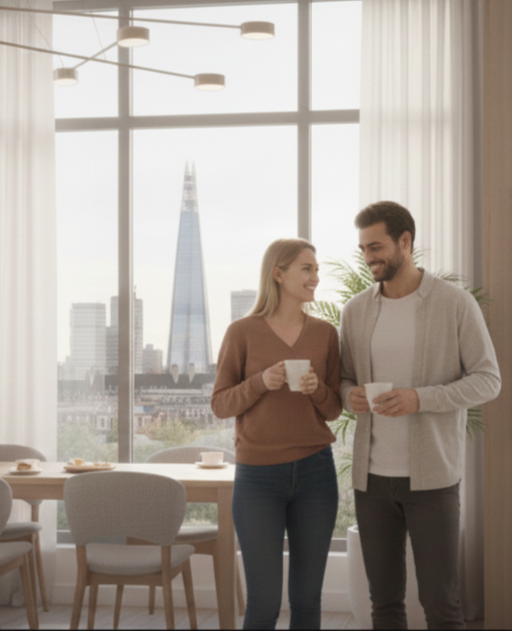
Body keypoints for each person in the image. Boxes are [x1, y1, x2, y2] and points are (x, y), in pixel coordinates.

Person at [340, 201, 500, 630]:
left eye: (376, 246)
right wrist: (349, 395)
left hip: (432, 479)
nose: (369, 257)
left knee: (440, 603)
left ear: (405, 241)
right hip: (371, 481)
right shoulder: (355, 310)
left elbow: (489, 380)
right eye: (363, 249)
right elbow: (343, 380)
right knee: (384, 603)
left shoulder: (454, 303)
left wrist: (419, 398)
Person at [211, 238, 343, 630]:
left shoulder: (325, 334)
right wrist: (260, 383)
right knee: (263, 604)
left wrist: (316, 389)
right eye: (307, 268)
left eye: (317, 269)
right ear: (278, 273)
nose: (315, 277)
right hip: (258, 479)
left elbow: (334, 408)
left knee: (306, 601)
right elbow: (220, 404)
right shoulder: (242, 332)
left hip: (316, 474)